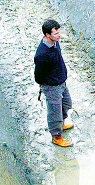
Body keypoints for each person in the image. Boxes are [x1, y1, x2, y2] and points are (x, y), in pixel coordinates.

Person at [34, 19, 74, 147]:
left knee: (66, 103)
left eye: (59, 32)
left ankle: (61, 124)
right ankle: (56, 136)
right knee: (54, 111)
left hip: (61, 81)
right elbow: (39, 74)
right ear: (47, 35)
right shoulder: (42, 54)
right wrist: (42, 85)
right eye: (56, 33)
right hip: (52, 86)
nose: (59, 35)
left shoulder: (55, 43)